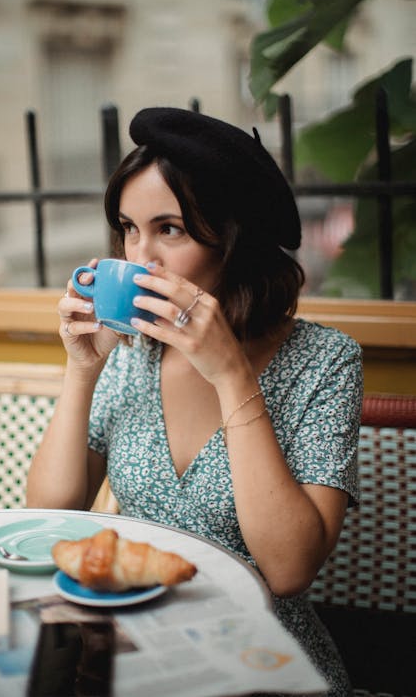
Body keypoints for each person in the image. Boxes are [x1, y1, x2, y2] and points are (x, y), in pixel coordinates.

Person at [27, 107, 363, 696]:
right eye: (129, 228)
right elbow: (51, 511)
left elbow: (288, 571)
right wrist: (83, 371)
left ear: (235, 241)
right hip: (130, 657)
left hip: (261, 662)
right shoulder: (133, 352)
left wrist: (231, 374)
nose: (140, 257)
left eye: (170, 229)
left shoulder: (326, 361)